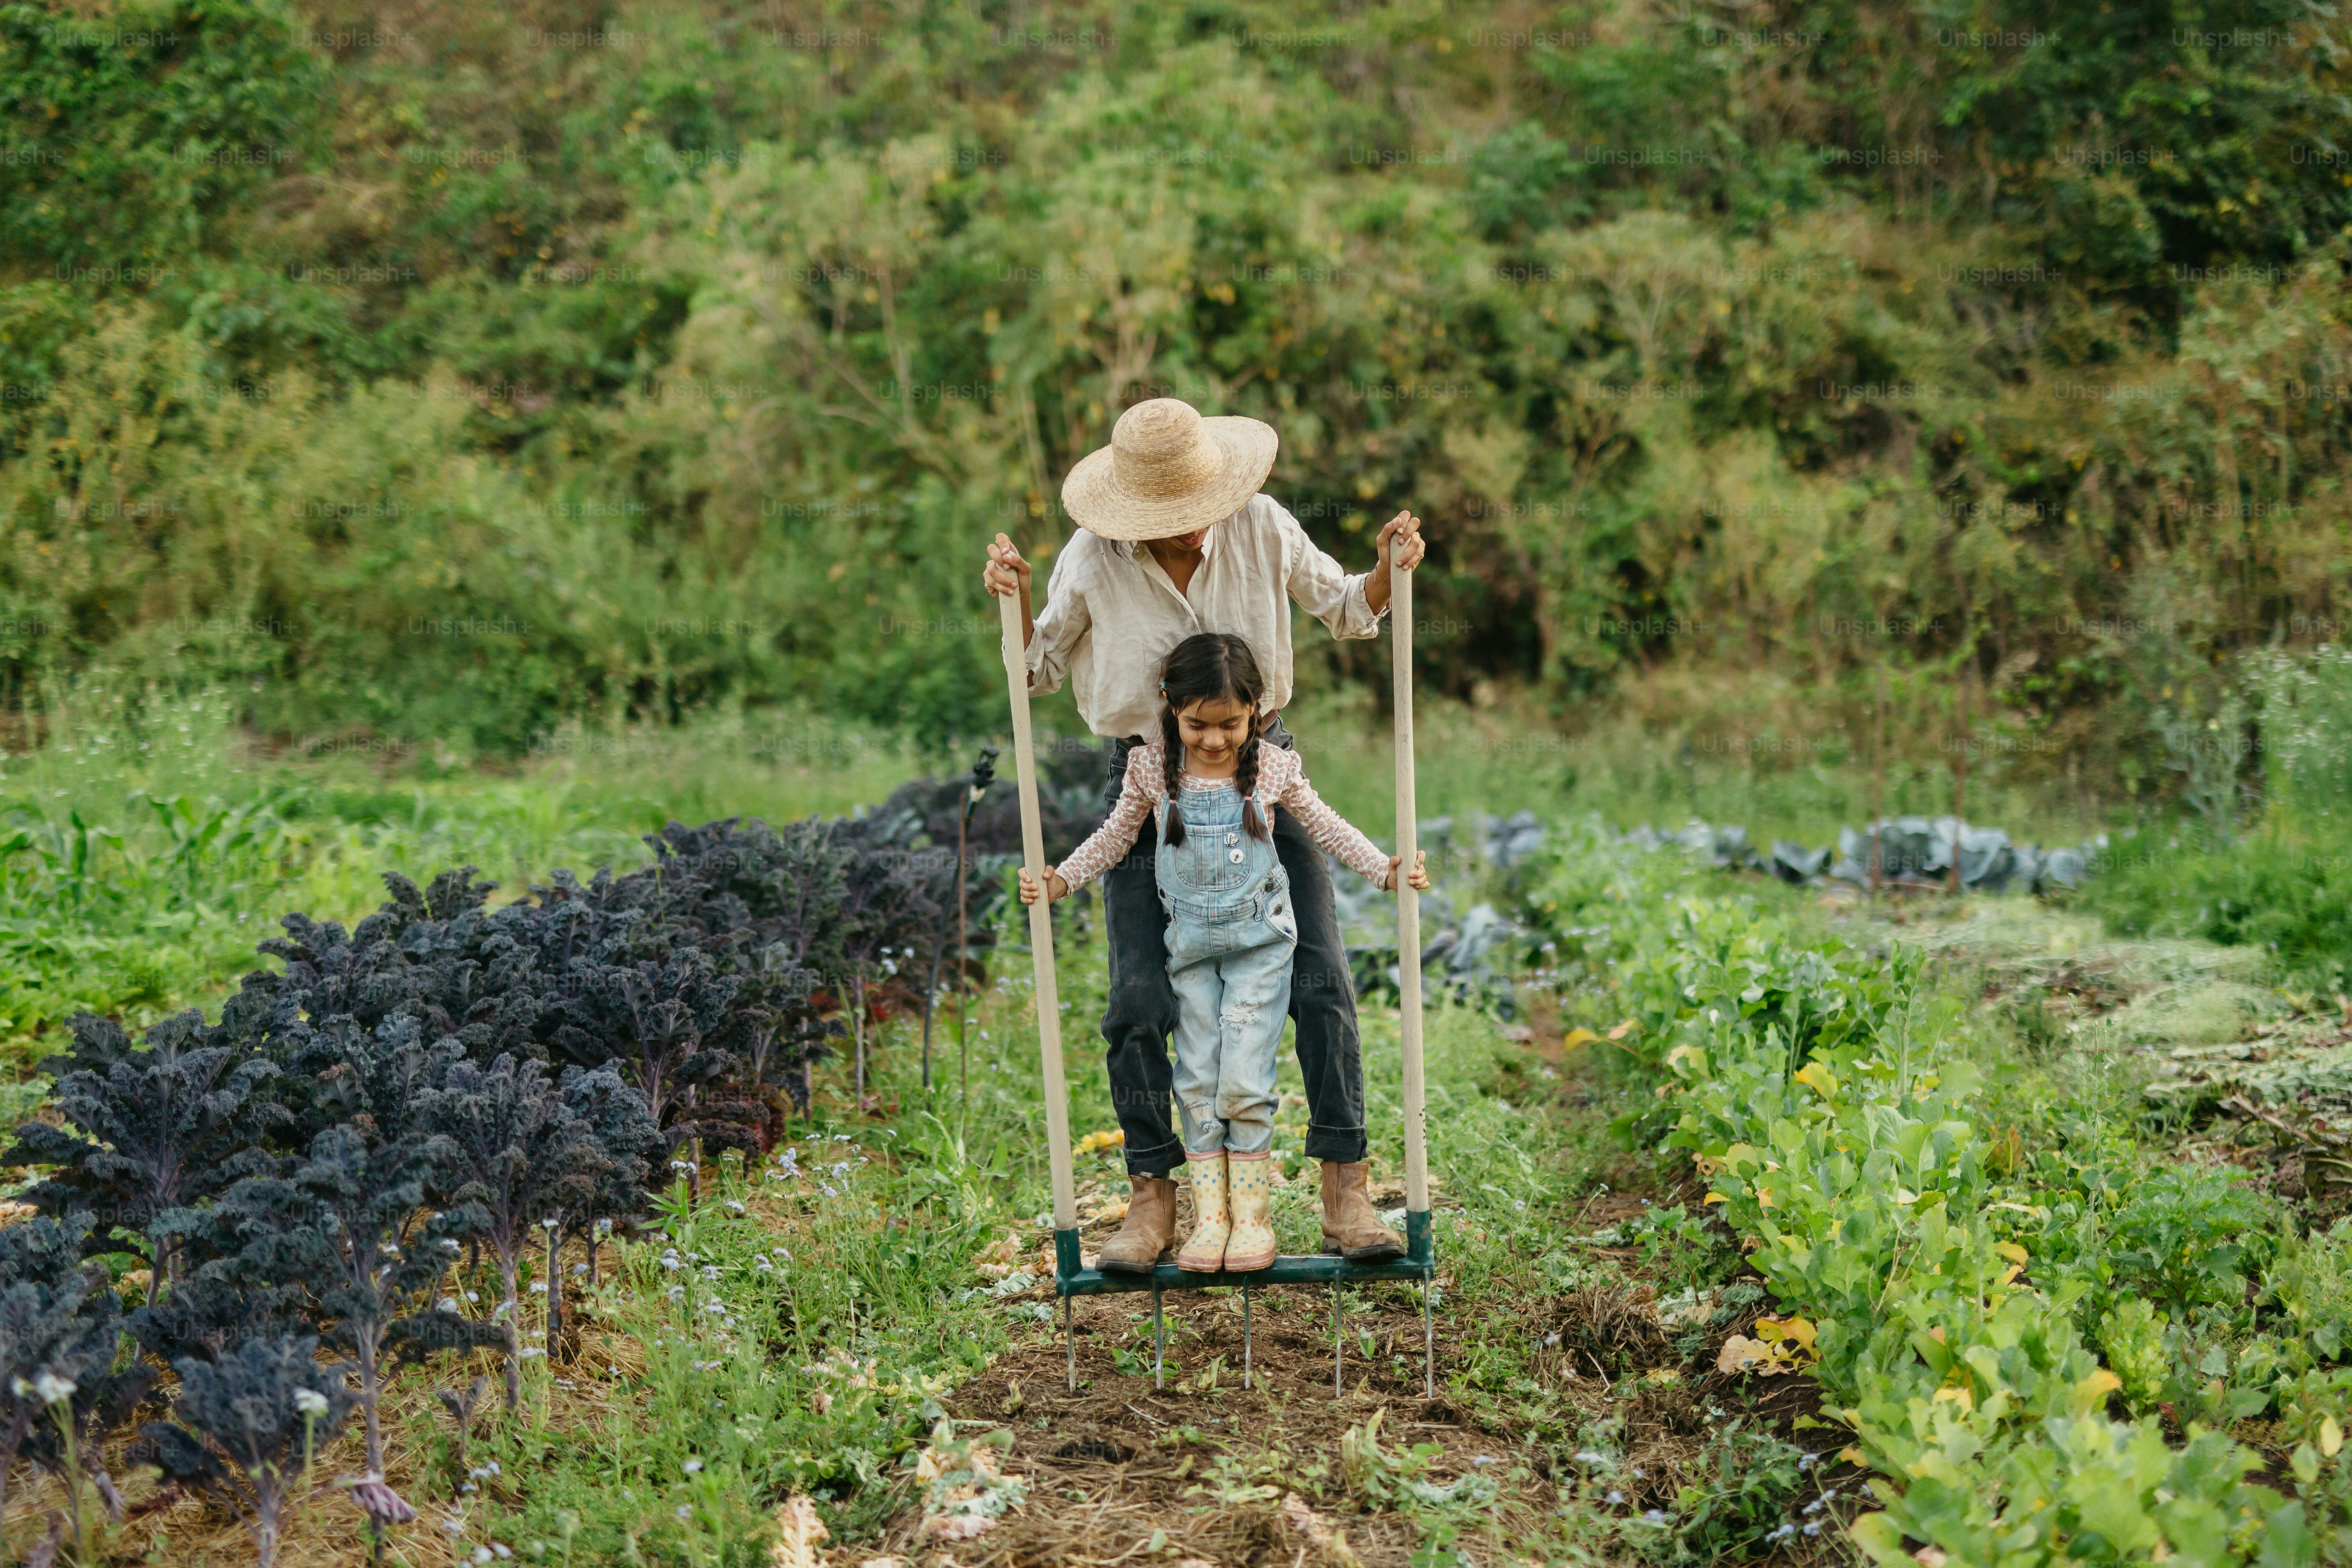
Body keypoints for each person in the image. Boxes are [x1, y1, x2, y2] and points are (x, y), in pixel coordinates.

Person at [982, 395, 1426, 1272]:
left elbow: (1346, 607)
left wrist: (1387, 572)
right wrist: (1016, 602)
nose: (1189, 533)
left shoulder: (1260, 524)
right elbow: (1032, 668)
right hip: (1147, 789)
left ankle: (1347, 1190)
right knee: (1138, 1000)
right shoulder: (1093, 557)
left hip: (1266, 776)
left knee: (1322, 977)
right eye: (1167, 524)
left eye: (1195, 514)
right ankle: (1152, 1199)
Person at [1019, 633, 1429, 1271]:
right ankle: (1209, 1222)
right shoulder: (1151, 769)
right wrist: (1061, 878)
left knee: (1242, 1080)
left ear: (1256, 711)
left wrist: (1385, 869)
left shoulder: (1270, 766)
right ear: (1169, 708)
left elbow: (1323, 824)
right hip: (1189, 954)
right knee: (1197, 1083)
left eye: (1230, 724)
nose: (1213, 740)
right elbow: (1116, 838)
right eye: (1196, 725)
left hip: (1258, 951)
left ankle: (1254, 1221)